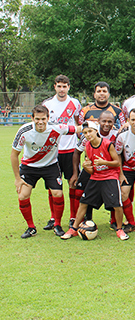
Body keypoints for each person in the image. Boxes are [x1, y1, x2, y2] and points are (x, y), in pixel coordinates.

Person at [11, 105, 80, 238]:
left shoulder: (57, 128)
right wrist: (17, 179)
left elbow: (78, 128)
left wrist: (96, 125)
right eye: (37, 119)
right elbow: (14, 155)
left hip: (50, 166)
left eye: (43, 119)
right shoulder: (24, 131)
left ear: (48, 118)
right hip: (29, 167)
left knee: (58, 193)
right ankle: (31, 227)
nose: (40, 122)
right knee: (23, 195)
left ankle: (57, 225)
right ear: (32, 118)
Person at [61, 121, 129, 240]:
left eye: (90, 131)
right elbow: (92, 170)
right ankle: (74, 228)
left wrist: (104, 162)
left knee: (117, 205)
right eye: (85, 133)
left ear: (96, 131)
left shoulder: (107, 144)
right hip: (96, 177)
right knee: (83, 202)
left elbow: (117, 163)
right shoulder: (87, 146)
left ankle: (119, 229)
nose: (88, 134)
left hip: (110, 177)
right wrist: (87, 167)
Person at [42, 74, 82, 230]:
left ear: (69, 87)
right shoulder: (47, 104)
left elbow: (78, 123)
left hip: (71, 150)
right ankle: (53, 217)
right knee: (53, 186)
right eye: (59, 86)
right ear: (55, 87)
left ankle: (73, 217)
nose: (62, 89)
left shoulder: (75, 103)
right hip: (53, 151)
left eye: (65, 86)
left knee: (73, 183)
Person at [70, 111, 118, 225]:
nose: (106, 124)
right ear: (98, 123)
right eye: (104, 121)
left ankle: (114, 221)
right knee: (80, 192)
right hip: (92, 167)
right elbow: (77, 152)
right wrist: (75, 173)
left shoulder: (116, 134)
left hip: (109, 169)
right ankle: (83, 219)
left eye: (110, 122)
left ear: (114, 123)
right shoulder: (88, 134)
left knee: (113, 195)